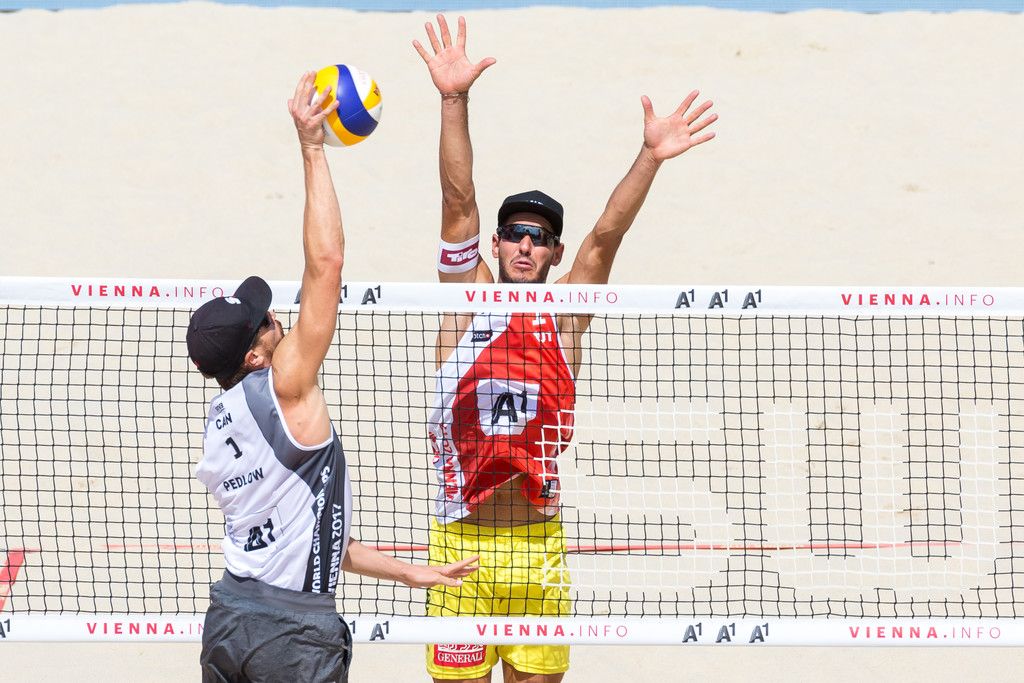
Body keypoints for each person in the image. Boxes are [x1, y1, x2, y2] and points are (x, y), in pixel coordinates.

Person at [413, 15, 718, 683]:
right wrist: (453, 99)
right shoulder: (465, 303)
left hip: (538, 548)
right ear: (497, 244)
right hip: (459, 548)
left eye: (541, 237)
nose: (526, 244)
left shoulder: (565, 319)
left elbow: (605, 238)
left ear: (553, 253)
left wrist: (650, 157)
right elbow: (458, 202)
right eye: (515, 233)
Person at [186, 71, 479, 683]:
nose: (276, 318)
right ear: (255, 358)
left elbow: (315, 540)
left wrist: (408, 572)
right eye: (266, 323)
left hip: (229, 622)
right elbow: (327, 263)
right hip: (292, 637)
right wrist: (312, 148)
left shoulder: (220, 428)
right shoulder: (285, 385)